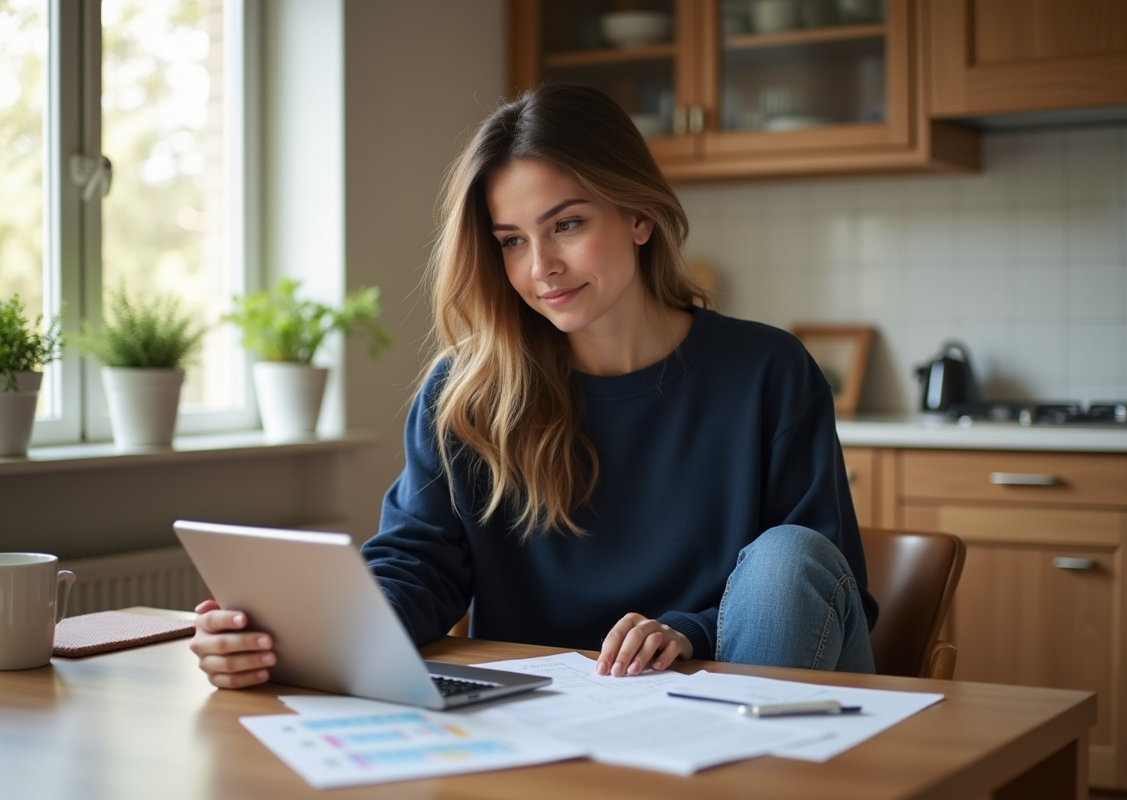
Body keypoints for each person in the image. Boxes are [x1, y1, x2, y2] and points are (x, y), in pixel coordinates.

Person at [190, 83, 877, 690]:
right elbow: (417, 566)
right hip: (541, 715)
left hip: (733, 697)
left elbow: (815, 581)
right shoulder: (463, 393)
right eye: (511, 240)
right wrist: (288, 634)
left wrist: (690, 631)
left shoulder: (768, 369)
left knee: (787, 556)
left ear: (639, 217)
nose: (541, 266)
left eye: (567, 225)